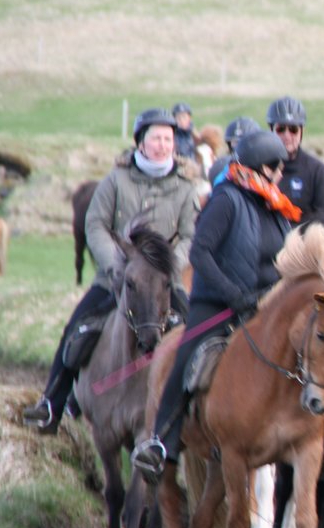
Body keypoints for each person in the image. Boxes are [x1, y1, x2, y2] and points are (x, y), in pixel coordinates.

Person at [131, 130, 300, 483]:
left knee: (313, 348)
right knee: (186, 354)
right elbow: (200, 253)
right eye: (276, 166)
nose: (281, 172)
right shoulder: (227, 199)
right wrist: (233, 294)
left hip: (265, 304)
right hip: (217, 303)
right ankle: (161, 443)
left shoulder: (277, 207)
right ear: (261, 167)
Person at [22, 109, 200, 434]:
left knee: (195, 338)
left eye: (168, 139)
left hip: (163, 284)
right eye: (156, 138)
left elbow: (190, 235)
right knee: (75, 330)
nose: (162, 145)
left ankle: (194, 419)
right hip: (115, 280)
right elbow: (95, 224)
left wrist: (168, 267)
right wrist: (116, 265)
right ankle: (51, 405)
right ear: (140, 142)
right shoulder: (116, 180)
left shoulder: (185, 188)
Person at [266, 96, 324, 225]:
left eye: (293, 129)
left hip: (304, 236)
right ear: (271, 130)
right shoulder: (259, 167)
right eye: (280, 129)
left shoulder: (316, 170)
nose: (287, 136)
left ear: (302, 131)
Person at [207, 116, 261, 185]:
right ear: (229, 144)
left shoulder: (265, 167)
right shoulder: (223, 167)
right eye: (235, 142)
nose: (239, 146)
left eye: (243, 142)